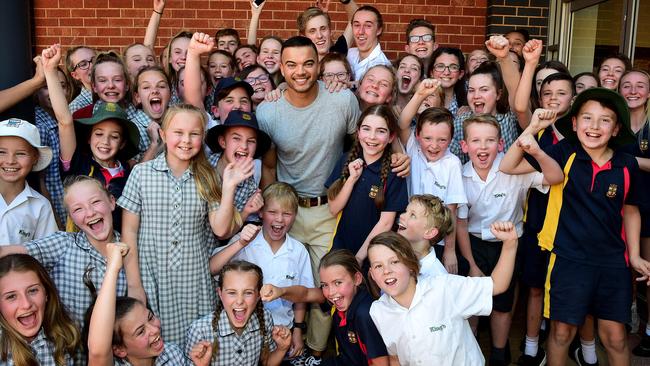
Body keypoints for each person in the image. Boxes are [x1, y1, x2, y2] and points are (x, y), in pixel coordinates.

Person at [499, 87, 650, 365]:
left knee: (616, 337)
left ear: (616, 129)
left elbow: (630, 210)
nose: (594, 127)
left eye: (605, 120)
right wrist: (532, 127)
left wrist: (636, 255)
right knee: (561, 332)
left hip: (613, 263)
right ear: (574, 123)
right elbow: (508, 166)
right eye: (587, 118)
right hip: (568, 260)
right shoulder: (564, 152)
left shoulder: (626, 163)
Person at [256, 35, 361, 358]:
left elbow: (361, 146)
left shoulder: (342, 101)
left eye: (307, 63)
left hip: (328, 208)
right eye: (291, 64)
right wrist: (272, 210)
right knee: (279, 277)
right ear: (281, 68)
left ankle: (314, 353)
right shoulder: (269, 111)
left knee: (324, 286)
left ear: (319, 65)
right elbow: (270, 167)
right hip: (287, 209)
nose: (300, 71)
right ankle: (273, 347)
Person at [118, 103, 253, 345]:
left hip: (194, 283)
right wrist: (134, 284)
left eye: (194, 134)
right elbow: (129, 230)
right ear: (163, 134)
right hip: (153, 277)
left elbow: (221, 229)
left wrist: (229, 186)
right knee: (158, 346)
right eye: (178, 132)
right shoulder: (141, 174)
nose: (186, 140)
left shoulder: (207, 177)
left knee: (198, 348)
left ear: (202, 136)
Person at [0, 175, 143, 364]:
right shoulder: (64, 244)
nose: (90, 212)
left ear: (111, 202)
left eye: (95, 202)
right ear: (73, 219)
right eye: (78, 209)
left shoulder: (130, 251)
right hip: (64, 356)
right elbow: (7, 252)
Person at [457, 113, 561, 365]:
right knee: (471, 302)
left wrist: (537, 153)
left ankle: (500, 354)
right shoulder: (459, 173)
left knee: (502, 304)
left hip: (508, 245)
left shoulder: (514, 168)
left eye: (490, 140)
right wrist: (470, 262)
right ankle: (470, 353)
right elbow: (459, 223)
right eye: (476, 141)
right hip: (472, 243)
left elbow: (555, 178)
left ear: (501, 144)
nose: (483, 147)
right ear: (464, 145)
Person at [367, 227, 519, 366]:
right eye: (378, 266)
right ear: (372, 274)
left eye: (394, 261)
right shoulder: (378, 311)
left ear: (410, 264)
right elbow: (395, 357)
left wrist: (509, 244)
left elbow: (496, 284)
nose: (386, 270)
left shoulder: (444, 289)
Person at [209, 182, 312, 362]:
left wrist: (297, 331)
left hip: (282, 332)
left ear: (295, 216)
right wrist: (240, 243)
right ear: (261, 213)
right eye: (272, 212)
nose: (279, 219)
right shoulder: (247, 240)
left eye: (287, 213)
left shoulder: (298, 251)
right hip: (243, 333)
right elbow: (212, 268)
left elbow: (302, 296)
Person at [260, 249, 390, 366]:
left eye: (338, 282)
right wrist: (280, 291)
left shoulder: (364, 314)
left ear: (356, 279)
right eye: (324, 285)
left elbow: (381, 363)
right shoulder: (341, 298)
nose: (331, 292)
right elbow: (305, 293)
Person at [326, 104, 408, 264]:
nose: (372, 137)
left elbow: (386, 222)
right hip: (342, 247)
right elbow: (333, 209)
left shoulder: (394, 170)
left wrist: (360, 256)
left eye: (381, 131)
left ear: (391, 137)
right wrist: (351, 179)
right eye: (366, 129)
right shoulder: (346, 160)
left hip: (375, 252)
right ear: (357, 132)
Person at [398, 86, 468, 273]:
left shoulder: (452, 164)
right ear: (418, 135)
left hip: (436, 239)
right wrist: (420, 94)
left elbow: (451, 210)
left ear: (451, 138)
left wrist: (450, 250)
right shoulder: (413, 147)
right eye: (428, 138)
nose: (434, 146)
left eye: (442, 140)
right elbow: (402, 123)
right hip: (408, 233)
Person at [87, 242, 190, 366]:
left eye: (150, 318)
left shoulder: (173, 354)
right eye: (141, 331)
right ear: (120, 350)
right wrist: (112, 268)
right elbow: (98, 352)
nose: (155, 329)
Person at [185, 260, 292, 366]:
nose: (240, 301)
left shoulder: (265, 318)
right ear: (220, 294)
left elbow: (267, 362)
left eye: (248, 293)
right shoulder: (200, 330)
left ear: (258, 295)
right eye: (232, 293)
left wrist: (282, 349)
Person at [618, 70, 650, 358]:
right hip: (618, 205)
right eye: (626, 85)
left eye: (640, 86)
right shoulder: (614, 123)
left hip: (649, 206)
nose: (633, 90)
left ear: (649, 92)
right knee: (625, 263)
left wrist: (631, 161)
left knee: (648, 269)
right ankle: (627, 318)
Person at [0, 254, 79, 365]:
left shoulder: (62, 336)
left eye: (32, 290)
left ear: (46, 293)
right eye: (11, 296)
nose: (26, 304)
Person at [0, 119, 57, 244]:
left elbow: (47, 253)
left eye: (20, 153)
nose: (10, 161)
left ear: (35, 158)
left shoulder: (40, 206)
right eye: (1, 152)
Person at [34, 63, 73, 224]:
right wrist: (54, 220)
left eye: (61, 85)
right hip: (54, 209)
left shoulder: (60, 122)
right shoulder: (41, 128)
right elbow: (40, 180)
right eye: (46, 86)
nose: (53, 90)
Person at [396, 194, 450, 277]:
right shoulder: (394, 256)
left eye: (413, 215)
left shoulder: (437, 278)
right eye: (406, 211)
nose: (401, 216)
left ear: (429, 233)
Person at [346, 6, 391, 81]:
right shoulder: (348, 54)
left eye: (368, 26)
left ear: (379, 30)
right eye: (357, 25)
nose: (361, 32)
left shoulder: (382, 66)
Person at [429, 47, 467, 117]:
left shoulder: (469, 102)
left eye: (453, 67)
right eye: (440, 66)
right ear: (431, 72)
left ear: (460, 74)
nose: (446, 72)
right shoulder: (421, 101)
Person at [65, 46, 96, 113]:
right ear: (75, 75)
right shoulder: (76, 107)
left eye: (94, 60)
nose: (92, 66)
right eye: (83, 64)